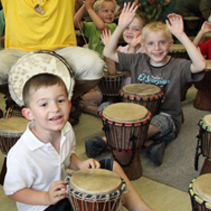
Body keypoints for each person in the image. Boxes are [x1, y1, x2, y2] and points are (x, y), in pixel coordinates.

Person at [3, 72, 154, 211]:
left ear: (69, 105)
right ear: (28, 114)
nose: (55, 108)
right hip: (42, 206)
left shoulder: (66, 129)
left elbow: (68, 157)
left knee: (111, 167)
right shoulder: (21, 154)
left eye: (60, 100)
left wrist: (80, 165)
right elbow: (13, 191)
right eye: (44, 104)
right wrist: (46, 197)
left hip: (63, 191)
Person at [85, 3, 206, 166]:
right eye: (150, 44)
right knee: (106, 107)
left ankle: (108, 141)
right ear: (143, 45)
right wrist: (120, 26)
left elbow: (200, 65)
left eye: (162, 43)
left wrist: (181, 35)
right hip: (136, 114)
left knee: (162, 122)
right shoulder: (138, 60)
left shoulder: (178, 66)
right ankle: (150, 145)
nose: (156, 48)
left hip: (164, 117)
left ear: (170, 44)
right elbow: (108, 52)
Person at [0, 0, 105, 125]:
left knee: (95, 65)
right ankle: (19, 100)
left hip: (62, 50)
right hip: (19, 52)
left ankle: (68, 98)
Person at [78, 12, 149, 116]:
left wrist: (133, 48)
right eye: (126, 27)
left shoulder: (146, 52)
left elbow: (128, 71)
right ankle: (97, 108)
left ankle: (95, 110)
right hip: (118, 93)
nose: (129, 31)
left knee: (109, 108)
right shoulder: (120, 49)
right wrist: (109, 48)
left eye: (136, 29)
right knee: (87, 98)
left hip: (135, 97)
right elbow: (112, 73)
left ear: (144, 32)